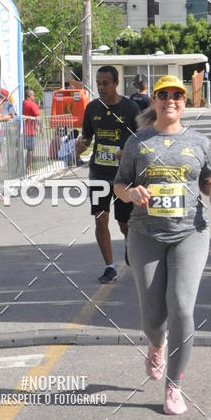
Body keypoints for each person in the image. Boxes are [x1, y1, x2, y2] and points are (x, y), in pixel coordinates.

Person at [113, 74, 211, 416]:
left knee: (181, 306)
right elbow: (120, 183)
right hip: (145, 235)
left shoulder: (198, 141)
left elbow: (209, 177)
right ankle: (156, 342)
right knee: (153, 316)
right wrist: (130, 192)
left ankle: (174, 385)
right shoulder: (139, 142)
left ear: (184, 101)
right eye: (163, 96)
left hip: (189, 233)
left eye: (177, 96)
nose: (170, 101)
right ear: (155, 102)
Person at [75, 65, 140, 283]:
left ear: (116, 83)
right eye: (98, 83)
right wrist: (80, 146)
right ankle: (110, 267)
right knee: (101, 219)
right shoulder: (92, 108)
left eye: (106, 83)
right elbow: (86, 137)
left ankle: (131, 248)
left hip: (124, 176)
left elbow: (141, 140)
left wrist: (126, 151)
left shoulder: (131, 108)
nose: (101, 87)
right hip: (99, 172)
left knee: (124, 223)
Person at [22, 87, 41, 174]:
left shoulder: (22, 103)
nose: (34, 97)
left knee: (24, 149)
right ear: (29, 96)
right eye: (33, 95)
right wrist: (42, 128)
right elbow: (38, 117)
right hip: (30, 130)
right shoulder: (32, 104)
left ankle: (24, 168)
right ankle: (28, 169)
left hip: (23, 130)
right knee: (31, 150)